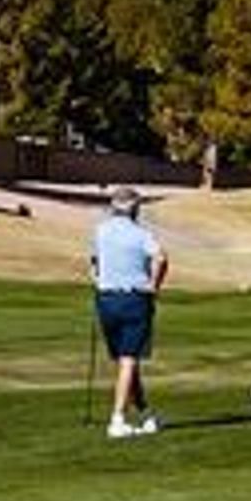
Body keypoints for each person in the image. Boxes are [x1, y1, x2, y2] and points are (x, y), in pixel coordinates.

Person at [91, 184, 169, 438]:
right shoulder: (141, 234)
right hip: (135, 299)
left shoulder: (101, 231)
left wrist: (100, 281)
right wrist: (154, 287)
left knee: (125, 359)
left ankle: (145, 414)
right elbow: (161, 258)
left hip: (106, 299)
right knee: (129, 359)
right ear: (135, 209)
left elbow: (94, 264)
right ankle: (117, 420)